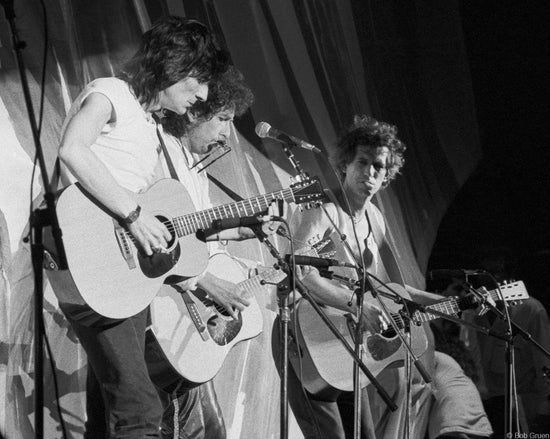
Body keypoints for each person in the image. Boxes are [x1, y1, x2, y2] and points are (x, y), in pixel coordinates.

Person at [49, 16, 229, 438]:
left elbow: (151, 213)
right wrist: (133, 214)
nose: (202, 94)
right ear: (169, 65)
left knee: (109, 406)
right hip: (90, 260)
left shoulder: (150, 127)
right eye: (197, 79)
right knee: (140, 408)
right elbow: (73, 148)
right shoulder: (111, 92)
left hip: (124, 276)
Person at [283, 115, 493, 438]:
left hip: (347, 346)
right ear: (345, 164)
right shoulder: (321, 207)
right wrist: (355, 305)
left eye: (378, 167)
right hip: (304, 337)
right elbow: (300, 273)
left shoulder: (375, 220)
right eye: (362, 162)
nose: (370, 172)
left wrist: (452, 303)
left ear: (387, 175)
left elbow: (389, 290)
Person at [150, 65, 260, 439]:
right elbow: (157, 237)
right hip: (159, 315)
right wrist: (203, 281)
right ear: (195, 112)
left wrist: (231, 230)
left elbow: (196, 244)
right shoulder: (159, 151)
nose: (227, 133)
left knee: (208, 430)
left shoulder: (196, 171)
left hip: (185, 316)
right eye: (223, 119)